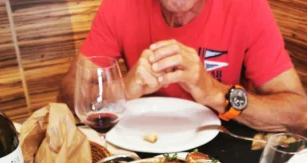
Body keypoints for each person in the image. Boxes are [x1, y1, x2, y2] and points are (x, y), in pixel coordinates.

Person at [59, 0, 307, 133]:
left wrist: (214, 92)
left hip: (223, 145)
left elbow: (299, 113)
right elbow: (68, 94)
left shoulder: (247, 7)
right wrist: (122, 90)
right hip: (136, 144)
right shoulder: (119, 6)